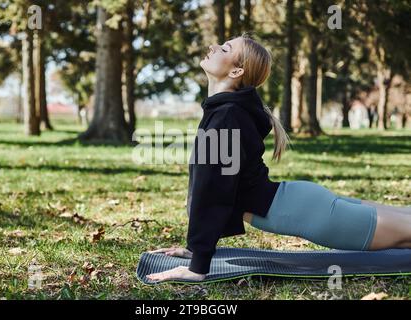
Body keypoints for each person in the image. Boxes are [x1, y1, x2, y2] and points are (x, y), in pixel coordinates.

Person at [146, 32, 411, 283]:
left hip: (307, 212)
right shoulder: (226, 111)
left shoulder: (226, 115)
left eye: (225, 48)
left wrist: (198, 266)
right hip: (301, 203)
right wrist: (195, 249)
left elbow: (212, 190)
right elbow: (208, 186)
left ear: (236, 71)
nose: (213, 47)